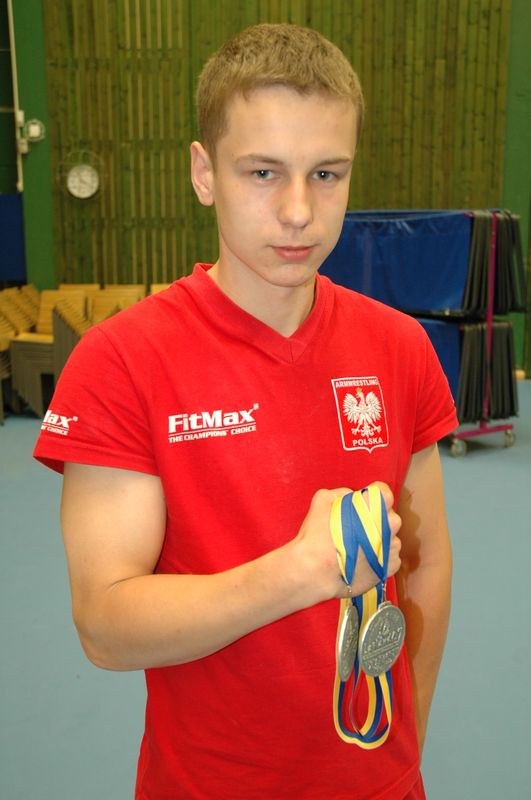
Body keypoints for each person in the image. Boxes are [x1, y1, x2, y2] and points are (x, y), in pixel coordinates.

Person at [34, 23, 457, 800]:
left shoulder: (400, 348)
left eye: (327, 174)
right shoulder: (123, 362)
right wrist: (292, 575)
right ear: (204, 173)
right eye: (262, 172)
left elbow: (424, 567)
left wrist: (404, 750)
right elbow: (105, 623)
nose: (298, 210)